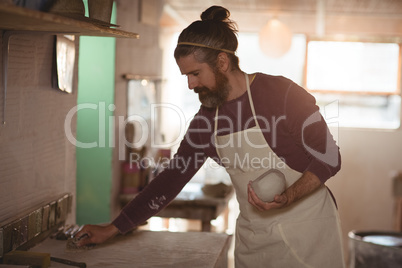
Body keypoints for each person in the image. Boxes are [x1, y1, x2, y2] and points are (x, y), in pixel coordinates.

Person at [76, 5, 345, 267]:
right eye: (186, 76)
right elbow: (171, 180)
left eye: (195, 73)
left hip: (309, 234)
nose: (190, 84)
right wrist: (114, 228)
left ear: (222, 62)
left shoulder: (281, 94)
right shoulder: (206, 121)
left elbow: (329, 158)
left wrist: (289, 196)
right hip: (256, 240)